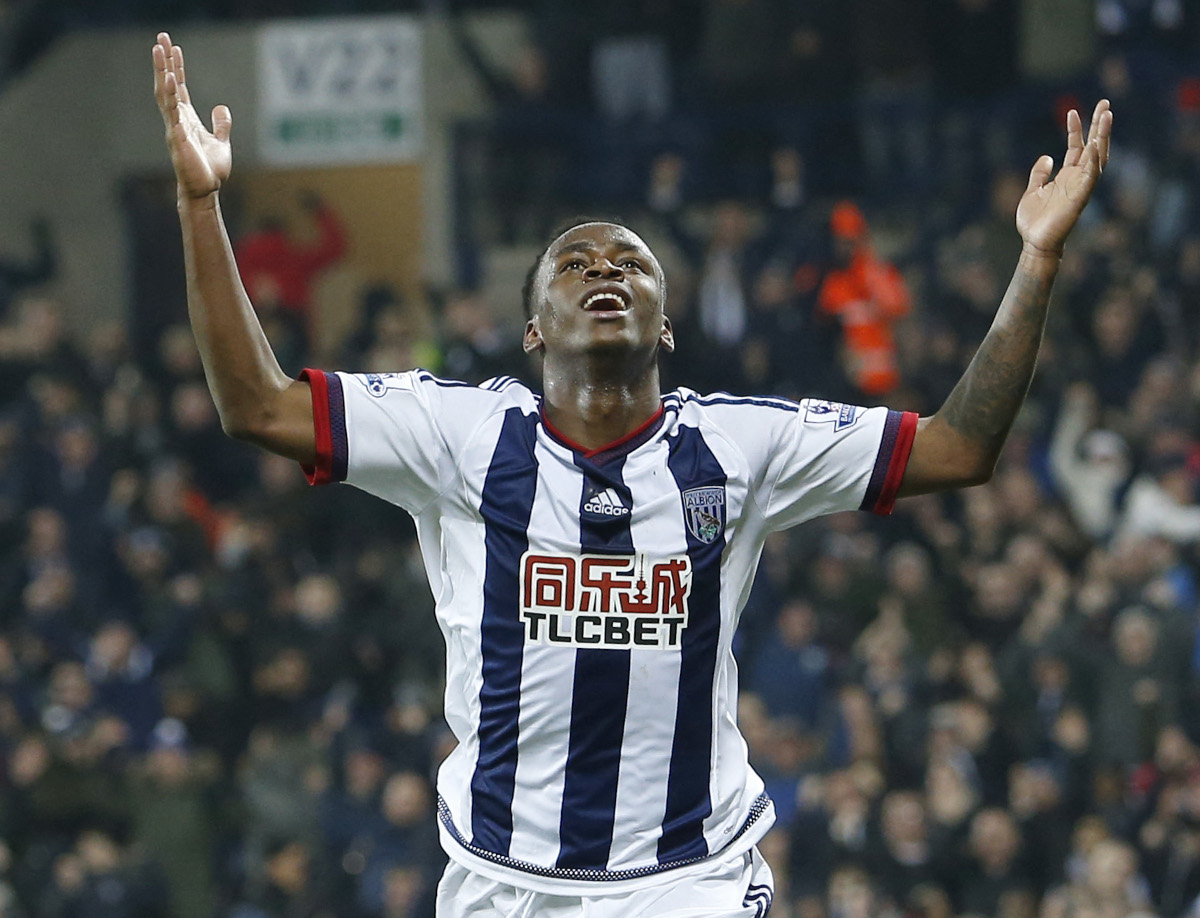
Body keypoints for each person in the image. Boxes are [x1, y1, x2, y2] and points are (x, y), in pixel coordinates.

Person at [151, 31, 1111, 918]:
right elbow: (257, 406)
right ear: (534, 330)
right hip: (502, 880)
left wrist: (1036, 259)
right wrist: (199, 205)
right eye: (576, 264)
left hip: (688, 879)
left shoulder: (740, 447)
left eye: (631, 262)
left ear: (666, 323)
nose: (605, 269)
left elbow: (957, 448)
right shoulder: (457, 433)